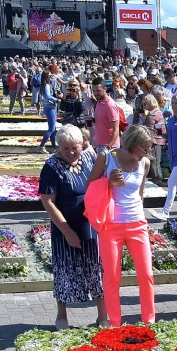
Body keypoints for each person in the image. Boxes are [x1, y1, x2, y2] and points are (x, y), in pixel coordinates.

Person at [87, 126, 156, 327]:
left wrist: (140, 214)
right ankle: (114, 324)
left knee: (146, 275)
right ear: (132, 144)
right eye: (144, 148)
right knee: (112, 277)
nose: (147, 153)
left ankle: (150, 322)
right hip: (111, 226)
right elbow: (89, 186)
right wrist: (108, 182)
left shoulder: (145, 162)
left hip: (137, 224)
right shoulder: (106, 158)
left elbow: (140, 193)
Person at [39, 125, 106, 328]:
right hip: (65, 226)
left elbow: (100, 184)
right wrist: (67, 231)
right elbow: (48, 201)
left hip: (90, 224)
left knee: (96, 268)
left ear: (82, 144)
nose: (70, 152)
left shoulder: (89, 157)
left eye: (74, 148)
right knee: (64, 269)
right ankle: (62, 316)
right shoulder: (52, 166)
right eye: (65, 148)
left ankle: (103, 316)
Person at [91, 79, 122, 151]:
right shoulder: (99, 102)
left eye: (98, 91)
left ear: (105, 89)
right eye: (94, 91)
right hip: (101, 144)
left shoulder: (110, 105)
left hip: (110, 147)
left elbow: (116, 130)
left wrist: (108, 148)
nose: (95, 93)